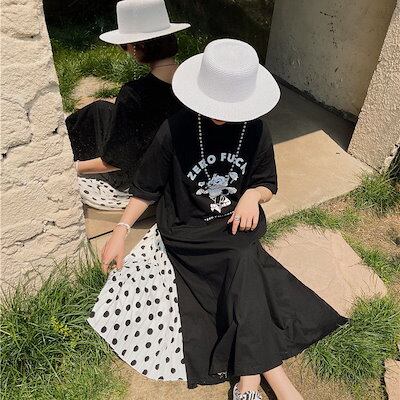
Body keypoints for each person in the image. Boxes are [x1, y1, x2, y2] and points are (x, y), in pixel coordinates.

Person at [87, 39, 348, 399]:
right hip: (187, 230)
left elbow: (267, 183)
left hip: (235, 224)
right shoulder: (176, 128)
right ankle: (270, 381)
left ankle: (252, 380)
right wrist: (120, 230)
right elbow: (147, 188)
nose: (220, 112)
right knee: (244, 266)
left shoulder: (255, 131)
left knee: (241, 259)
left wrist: (252, 196)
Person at [66, 0, 190, 210]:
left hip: (142, 176)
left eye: (126, 45)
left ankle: (60, 151)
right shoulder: (192, 80)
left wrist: (73, 168)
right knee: (99, 109)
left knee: (89, 119)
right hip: (178, 163)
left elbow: (116, 161)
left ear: (137, 47)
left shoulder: (135, 94)